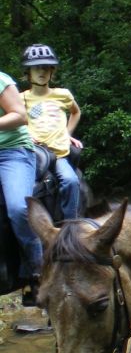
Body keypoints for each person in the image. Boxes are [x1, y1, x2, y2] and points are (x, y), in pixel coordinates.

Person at [20, 43, 82, 220]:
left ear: (52, 71)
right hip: (35, 153)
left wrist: (67, 133)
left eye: (46, 68)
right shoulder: (21, 98)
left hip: (58, 153)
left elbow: (76, 112)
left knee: (70, 181)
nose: (42, 72)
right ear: (28, 73)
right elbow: (17, 121)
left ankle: (71, 224)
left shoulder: (63, 94)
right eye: (36, 68)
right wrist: (26, 134)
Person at [0, 67, 42, 305]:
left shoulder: (1, 80)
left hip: (12, 152)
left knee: (18, 208)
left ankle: (39, 268)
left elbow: (19, 114)